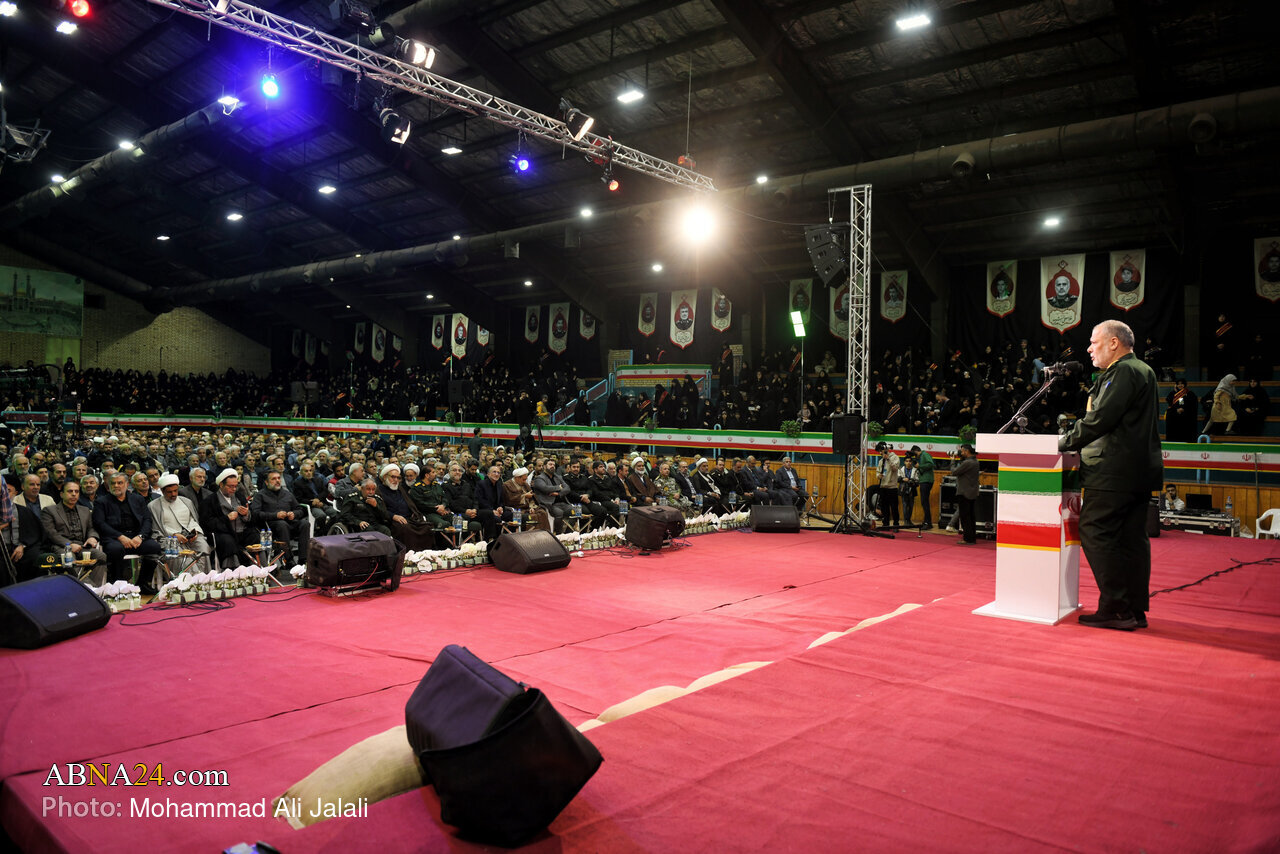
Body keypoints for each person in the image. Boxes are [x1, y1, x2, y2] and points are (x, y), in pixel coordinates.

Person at [1058, 319, 1162, 630]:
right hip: (1137, 470)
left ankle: (1116, 607)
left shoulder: (1123, 371)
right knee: (1131, 539)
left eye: (1094, 342)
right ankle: (1134, 609)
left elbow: (1101, 418)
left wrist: (1062, 442)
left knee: (1095, 531)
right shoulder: (1143, 370)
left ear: (1114, 343)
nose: (1089, 349)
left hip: (1113, 470)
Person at [93, 472, 164, 590]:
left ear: (127, 484)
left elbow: (147, 520)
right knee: (115, 549)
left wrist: (140, 536)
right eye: (113, 483)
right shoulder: (101, 501)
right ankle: (118, 585)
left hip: (136, 537)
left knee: (154, 547)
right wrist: (120, 537)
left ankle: (142, 583)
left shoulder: (137, 499)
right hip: (114, 538)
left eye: (120, 483)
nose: (116, 486)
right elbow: (100, 523)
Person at [42, 480, 108, 585]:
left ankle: (96, 587)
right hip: (61, 547)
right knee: (69, 557)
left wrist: (92, 537)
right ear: (61, 494)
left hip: (82, 547)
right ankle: (86, 587)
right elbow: (51, 533)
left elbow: (91, 528)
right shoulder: (49, 510)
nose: (74, 494)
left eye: (76, 491)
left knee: (100, 556)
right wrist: (69, 545)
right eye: (70, 491)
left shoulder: (85, 510)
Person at [150, 473, 212, 574]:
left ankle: (204, 578)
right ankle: (188, 580)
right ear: (162, 491)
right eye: (169, 492)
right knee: (183, 558)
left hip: (189, 538)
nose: (173, 494)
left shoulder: (186, 502)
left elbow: (192, 520)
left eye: (175, 491)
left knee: (203, 547)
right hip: (169, 539)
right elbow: (156, 530)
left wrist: (194, 532)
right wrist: (173, 535)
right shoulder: (154, 506)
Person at [200, 468, 258, 568]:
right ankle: (233, 570)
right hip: (224, 533)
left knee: (255, 536)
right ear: (221, 485)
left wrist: (246, 514)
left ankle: (258, 568)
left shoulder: (240, 496)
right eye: (231, 486)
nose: (234, 489)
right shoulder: (210, 500)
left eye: (236, 486)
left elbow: (252, 517)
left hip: (242, 531)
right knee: (228, 541)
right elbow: (207, 523)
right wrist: (226, 518)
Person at [251, 470, 309, 567]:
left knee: (305, 523)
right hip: (270, 526)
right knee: (282, 524)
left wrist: (294, 514)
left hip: (289, 522)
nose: (277, 481)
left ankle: (303, 559)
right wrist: (275, 515)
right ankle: (288, 559)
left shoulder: (287, 494)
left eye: (278, 478)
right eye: (273, 479)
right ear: (266, 482)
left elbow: (300, 509)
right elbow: (255, 514)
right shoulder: (260, 495)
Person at [532, 458, 572, 531]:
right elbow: (545, 488)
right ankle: (557, 534)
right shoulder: (539, 478)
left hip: (563, 502)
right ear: (544, 466)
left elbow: (567, 488)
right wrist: (559, 487)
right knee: (559, 513)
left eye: (554, 465)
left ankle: (568, 533)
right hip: (550, 504)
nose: (552, 466)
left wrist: (558, 494)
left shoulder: (558, 477)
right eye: (550, 464)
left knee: (575, 511)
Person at [951, 444, 979, 545]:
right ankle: (972, 537)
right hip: (972, 492)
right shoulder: (975, 461)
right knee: (971, 516)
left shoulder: (967, 462)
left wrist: (952, 461)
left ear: (967, 451)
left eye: (962, 451)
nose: (961, 453)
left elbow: (954, 472)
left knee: (965, 517)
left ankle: (967, 538)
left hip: (964, 492)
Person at [874, 443, 900, 527]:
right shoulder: (881, 461)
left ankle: (896, 524)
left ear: (884, 450)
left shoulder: (895, 457)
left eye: (880, 451)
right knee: (884, 507)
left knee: (894, 507)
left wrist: (888, 459)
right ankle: (885, 524)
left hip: (892, 487)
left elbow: (895, 468)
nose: (879, 453)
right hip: (883, 486)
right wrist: (879, 475)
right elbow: (877, 472)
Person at [911, 445, 936, 528]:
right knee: (924, 502)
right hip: (924, 480)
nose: (915, 456)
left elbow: (931, 464)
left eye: (914, 454)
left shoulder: (925, 454)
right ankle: (926, 521)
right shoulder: (922, 456)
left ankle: (928, 523)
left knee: (924, 502)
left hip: (926, 481)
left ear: (916, 451)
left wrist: (919, 466)